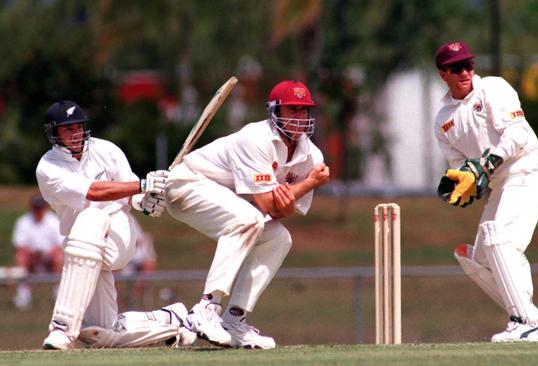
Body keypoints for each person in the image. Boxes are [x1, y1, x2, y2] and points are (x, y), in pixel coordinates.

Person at [165, 80, 330, 349]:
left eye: (304, 110)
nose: (300, 117)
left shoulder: (312, 156)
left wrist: (290, 195)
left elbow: (281, 212)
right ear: (275, 111)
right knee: (248, 218)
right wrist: (309, 183)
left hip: (226, 199)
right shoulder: (255, 138)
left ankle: (234, 319)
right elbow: (267, 205)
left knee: (279, 238)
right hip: (186, 184)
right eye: (292, 109)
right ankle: (206, 308)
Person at [36, 100, 196, 350]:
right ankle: (170, 319)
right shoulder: (48, 168)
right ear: (54, 133)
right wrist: (144, 186)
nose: (75, 133)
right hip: (82, 250)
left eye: (78, 126)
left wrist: (145, 202)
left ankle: (62, 329)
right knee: (103, 334)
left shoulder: (106, 150)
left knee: (92, 218)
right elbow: (94, 192)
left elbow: (129, 190)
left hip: (117, 232)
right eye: (68, 129)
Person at [433, 41, 538, 342]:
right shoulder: (442, 121)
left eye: (468, 65)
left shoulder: (493, 89)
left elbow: (518, 133)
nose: (465, 72)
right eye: (456, 68)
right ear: (442, 74)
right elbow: (460, 165)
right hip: (501, 185)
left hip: (528, 170)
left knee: (499, 236)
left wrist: (486, 165)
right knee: (483, 260)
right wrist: (467, 182)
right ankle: (529, 318)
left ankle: (526, 320)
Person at [11, 194, 64, 310]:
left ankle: (58, 294)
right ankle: (23, 295)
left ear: (45, 207)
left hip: (49, 257)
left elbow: (60, 245)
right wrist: (32, 254)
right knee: (20, 257)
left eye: (40, 207)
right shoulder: (23, 222)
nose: (38, 210)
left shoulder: (53, 221)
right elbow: (19, 245)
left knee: (59, 257)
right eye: (36, 207)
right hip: (31, 257)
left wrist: (47, 254)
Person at [120, 215, 158, 306]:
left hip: (135, 256)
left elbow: (140, 239)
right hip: (119, 256)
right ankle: (115, 302)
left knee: (149, 265)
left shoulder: (131, 218)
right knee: (112, 270)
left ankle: (133, 298)